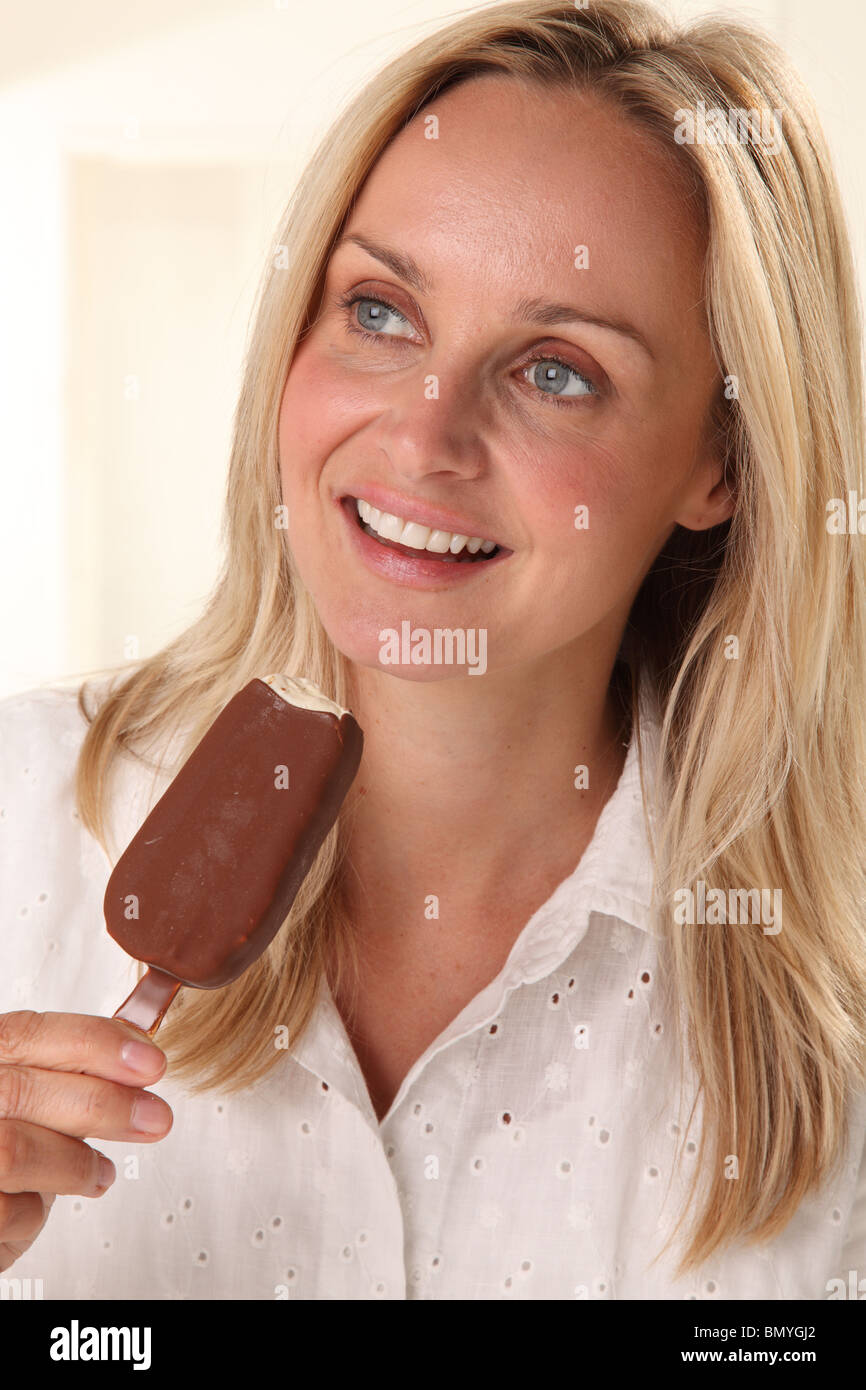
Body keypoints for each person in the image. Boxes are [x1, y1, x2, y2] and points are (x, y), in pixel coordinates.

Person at [1, 0, 865, 1300]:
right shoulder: (16, 821)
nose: (422, 436)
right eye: (381, 310)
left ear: (718, 463)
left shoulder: (828, 999)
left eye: (556, 369)